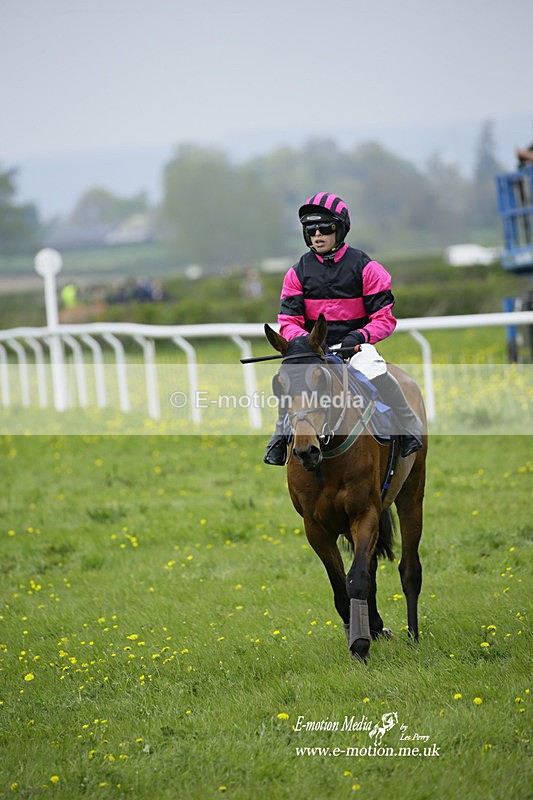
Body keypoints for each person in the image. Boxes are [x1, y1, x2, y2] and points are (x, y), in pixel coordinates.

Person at [264, 192, 423, 466]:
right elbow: (288, 322)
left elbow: (384, 318)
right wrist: (308, 342)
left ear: (340, 229)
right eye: (311, 229)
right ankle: (280, 437)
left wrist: (358, 336)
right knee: (290, 381)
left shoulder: (367, 268)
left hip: (356, 349)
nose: (317, 235)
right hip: (315, 352)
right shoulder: (296, 273)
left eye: (325, 228)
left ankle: (408, 426)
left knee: (376, 371)